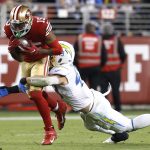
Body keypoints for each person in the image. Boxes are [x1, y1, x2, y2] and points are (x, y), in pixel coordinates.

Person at [17, 41, 150, 143]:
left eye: (51, 56)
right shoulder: (66, 67)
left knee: (129, 125)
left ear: (60, 58)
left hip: (95, 107)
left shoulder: (61, 71)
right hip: (89, 103)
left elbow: (47, 81)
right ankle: (117, 135)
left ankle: (121, 131)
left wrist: (26, 80)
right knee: (90, 127)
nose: (48, 57)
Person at [4, 5, 67, 145]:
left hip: (41, 58)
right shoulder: (8, 28)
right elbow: (20, 58)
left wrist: (38, 52)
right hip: (26, 60)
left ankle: (49, 131)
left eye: (20, 25)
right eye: (15, 25)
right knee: (33, 94)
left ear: (28, 21)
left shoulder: (40, 26)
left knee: (35, 94)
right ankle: (58, 107)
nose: (17, 29)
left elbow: (58, 49)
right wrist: (14, 52)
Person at [99, 22, 127, 112]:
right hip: (115, 70)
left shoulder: (99, 39)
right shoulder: (116, 40)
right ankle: (118, 109)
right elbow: (123, 55)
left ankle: (105, 109)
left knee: (104, 91)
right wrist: (120, 65)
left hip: (102, 70)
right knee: (115, 90)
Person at [74, 22, 107, 90]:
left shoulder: (80, 38)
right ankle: (93, 101)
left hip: (82, 67)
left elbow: (74, 53)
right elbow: (104, 55)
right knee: (94, 88)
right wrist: (100, 66)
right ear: (94, 29)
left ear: (85, 29)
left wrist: (77, 65)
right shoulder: (99, 39)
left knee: (81, 88)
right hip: (95, 67)